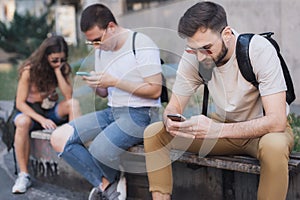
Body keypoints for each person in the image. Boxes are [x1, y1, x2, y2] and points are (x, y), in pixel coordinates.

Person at [144, 2, 294, 200]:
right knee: (154, 133)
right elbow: (174, 106)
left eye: (206, 48)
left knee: (274, 146)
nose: (199, 56)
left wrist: (216, 130)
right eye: (193, 49)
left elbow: (277, 121)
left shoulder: (258, 50)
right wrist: (170, 119)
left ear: (227, 34)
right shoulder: (195, 56)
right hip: (221, 130)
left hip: (262, 133)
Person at [50, 3, 162, 200]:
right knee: (59, 137)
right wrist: (95, 84)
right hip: (112, 112)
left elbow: (155, 90)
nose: (95, 46)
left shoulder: (141, 43)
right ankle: (108, 186)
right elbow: (104, 93)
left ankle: (109, 186)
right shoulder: (102, 50)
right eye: (90, 42)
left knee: (99, 149)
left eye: (97, 40)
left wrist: (115, 81)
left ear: (111, 27)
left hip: (142, 113)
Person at [11, 35, 81, 194]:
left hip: (48, 111)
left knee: (73, 104)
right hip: (29, 112)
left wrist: (58, 71)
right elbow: (20, 103)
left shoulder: (61, 68)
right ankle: (24, 175)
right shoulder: (29, 70)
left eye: (62, 60)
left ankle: (76, 151)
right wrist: (41, 120)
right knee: (22, 122)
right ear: (45, 56)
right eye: (54, 60)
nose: (59, 63)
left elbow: (69, 96)